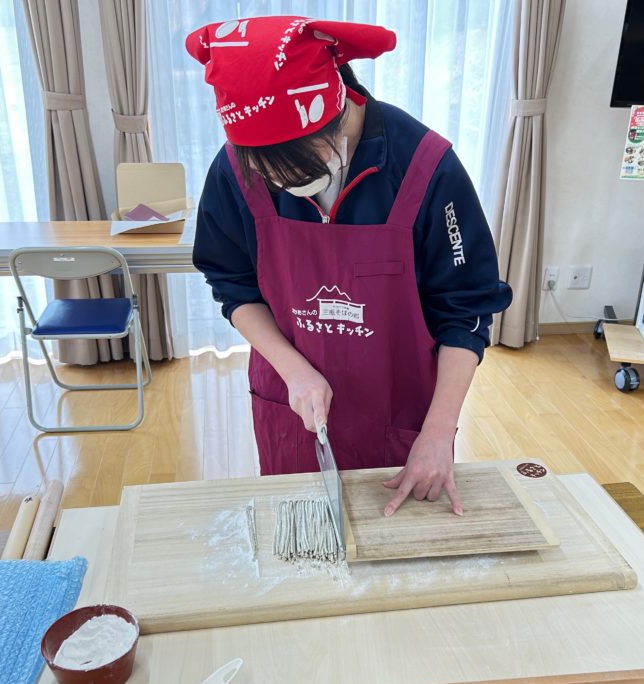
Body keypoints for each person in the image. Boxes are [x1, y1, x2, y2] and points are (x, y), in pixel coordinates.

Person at [186, 16, 512, 516]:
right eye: (267, 173)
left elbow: (465, 311)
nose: (280, 182)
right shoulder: (236, 166)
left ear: (332, 112)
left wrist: (438, 431)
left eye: (293, 167)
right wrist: (294, 371)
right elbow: (234, 287)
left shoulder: (425, 167)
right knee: (299, 538)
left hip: (400, 414)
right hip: (293, 408)